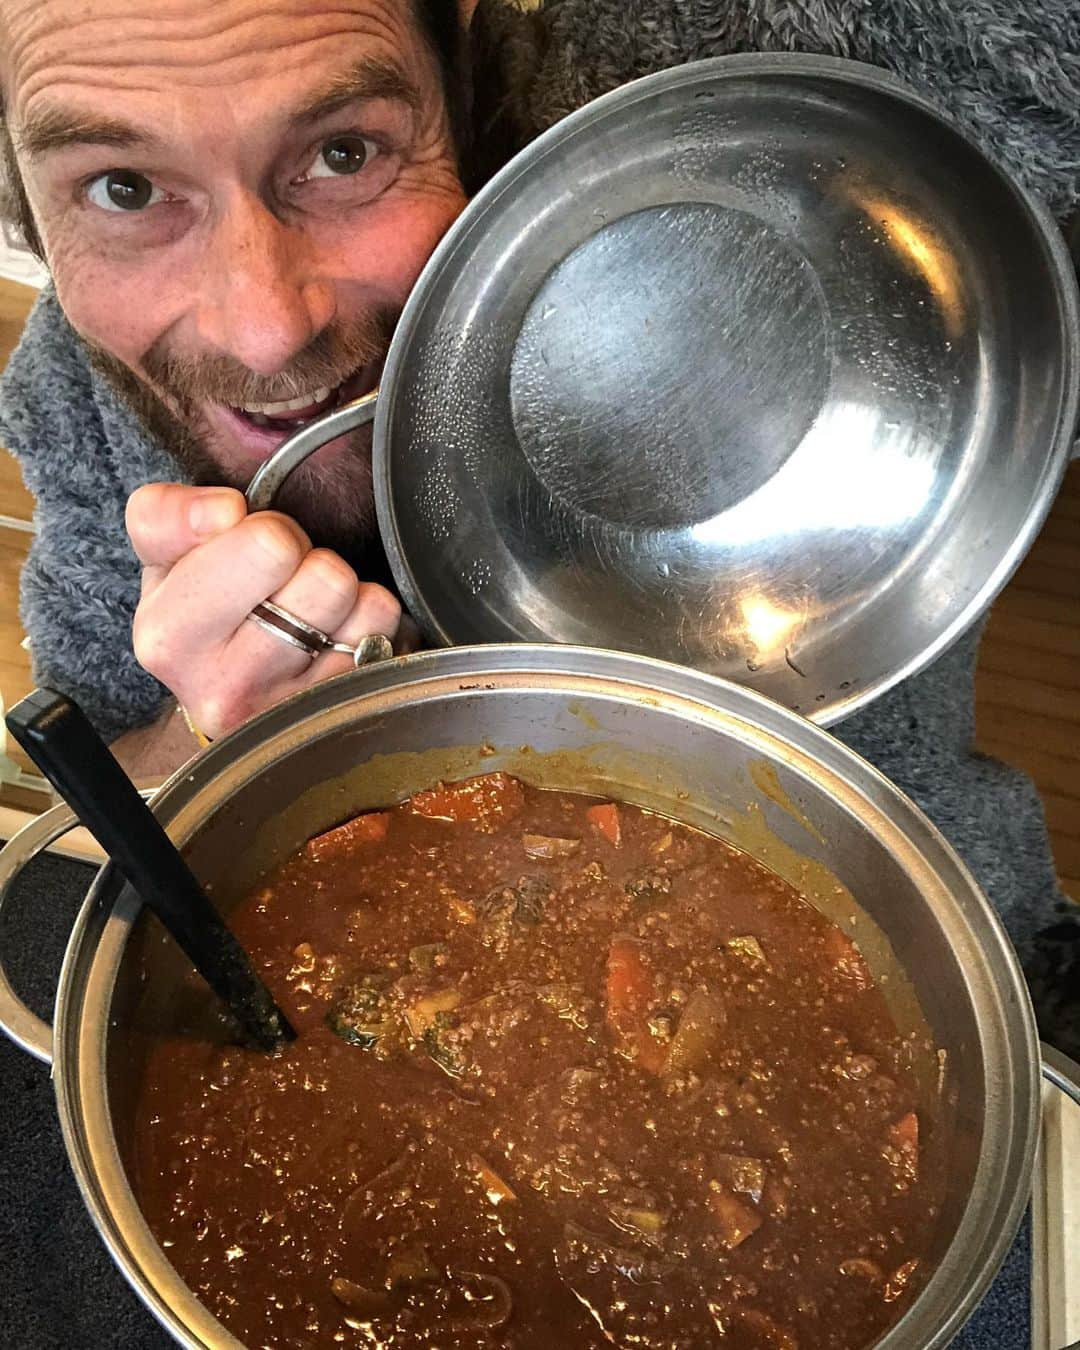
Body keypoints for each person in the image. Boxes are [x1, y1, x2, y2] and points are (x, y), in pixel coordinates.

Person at [0, 0, 1077, 1058]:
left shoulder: (681, 150)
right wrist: (202, 748)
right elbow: (91, 768)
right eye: (124, 188)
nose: (270, 329)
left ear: (465, 81)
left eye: (343, 152)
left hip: (987, 973)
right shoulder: (83, 391)